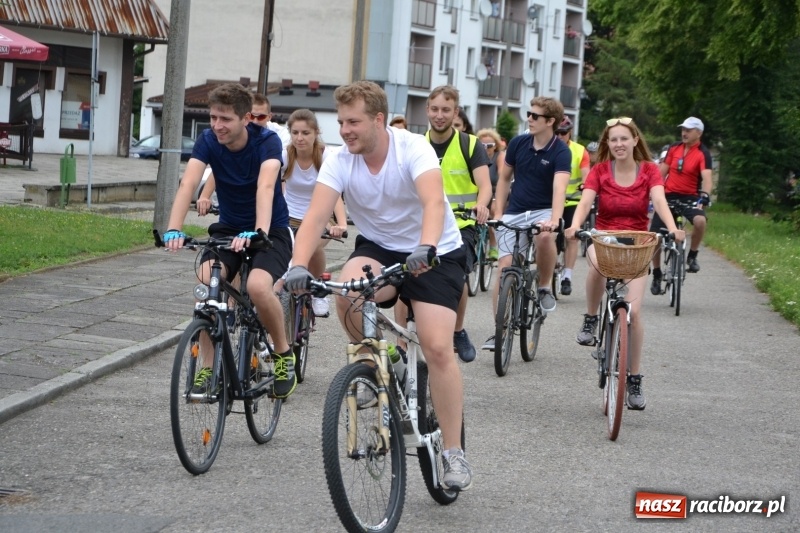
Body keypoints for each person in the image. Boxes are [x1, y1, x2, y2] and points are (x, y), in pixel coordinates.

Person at [284, 80, 472, 491]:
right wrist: (298, 264)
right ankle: (381, 362)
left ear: (379, 120)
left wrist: (425, 246)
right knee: (348, 293)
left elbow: (433, 203)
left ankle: (453, 452)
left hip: (435, 249)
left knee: (438, 347)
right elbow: (315, 217)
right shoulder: (338, 159)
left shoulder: (411, 148)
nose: (345, 130)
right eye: (341, 122)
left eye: (354, 122)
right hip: (381, 247)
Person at [163, 83, 296, 399]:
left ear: (246, 118)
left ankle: (282, 353)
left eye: (225, 119)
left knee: (259, 288)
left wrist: (259, 231)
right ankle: (208, 368)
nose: (217, 126)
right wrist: (173, 228)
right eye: (213, 118)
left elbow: (266, 187)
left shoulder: (267, 142)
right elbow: (189, 182)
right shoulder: (208, 140)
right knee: (208, 282)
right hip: (228, 229)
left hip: (270, 230)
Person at [565, 117, 685, 410]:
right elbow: (585, 203)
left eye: (623, 139)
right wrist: (575, 225)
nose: (618, 144)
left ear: (634, 141)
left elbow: (659, 201)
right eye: (613, 140)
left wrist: (672, 227)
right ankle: (591, 318)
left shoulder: (649, 170)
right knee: (595, 265)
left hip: (638, 242)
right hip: (605, 238)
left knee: (635, 312)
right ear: (608, 144)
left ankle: (634, 379)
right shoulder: (599, 171)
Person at [482, 96, 571, 350]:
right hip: (516, 210)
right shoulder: (519, 143)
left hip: (543, 210)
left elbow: (559, 188)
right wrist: (499, 212)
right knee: (504, 268)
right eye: (528, 114)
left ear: (550, 121)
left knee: (544, 237)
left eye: (535, 116)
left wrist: (554, 220)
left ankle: (544, 286)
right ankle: (498, 330)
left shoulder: (560, 151)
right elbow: (503, 178)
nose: (529, 119)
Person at [417, 85, 491, 363]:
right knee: (403, 274)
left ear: (455, 112)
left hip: (461, 225)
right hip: (423, 223)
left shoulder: (470, 145)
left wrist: (481, 204)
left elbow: (485, 185)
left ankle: (458, 330)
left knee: (457, 276)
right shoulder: (417, 144)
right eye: (434, 109)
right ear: (427, 110)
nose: (439, 115)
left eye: (446, 110)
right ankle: (401, 341)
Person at [280, 108, 348, 317]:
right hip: (290, 215)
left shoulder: (325, 155)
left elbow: (335, 193)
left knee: (312, 244)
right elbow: (271, 185)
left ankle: (319, 289)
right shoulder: (285, 155)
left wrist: (342, 224)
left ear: (316, 133)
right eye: (295, 133)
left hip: (321, 216)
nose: (300, 138)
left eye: (306, 133)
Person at [196, 92, 290, 214]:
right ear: (245, 116)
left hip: (272, 185)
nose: (255, 121)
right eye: (252, 116)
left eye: (261, 117)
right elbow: (221, 165)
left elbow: (281, 171)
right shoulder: (233, 133)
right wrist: (204, 196)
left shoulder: (280, 135)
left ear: (269, 117)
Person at [649, 116, 713, 295]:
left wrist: (705, 197)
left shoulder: (703, 153)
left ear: (698, 133)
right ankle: (656, 273)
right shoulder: (674, 148)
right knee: (656, 236)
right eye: (683, 129)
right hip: (668, 196)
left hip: (689, 197)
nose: (684, 132)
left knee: (700, 221)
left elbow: (707, 179)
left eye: (689, 130)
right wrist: (654, 191)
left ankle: (692, 256)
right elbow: (662, 172)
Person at [555, 117, 590, 296]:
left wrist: (586, 185)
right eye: (557, 133)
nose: (560, 136)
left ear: (570, 133)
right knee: (546, 234)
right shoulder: (548, 148)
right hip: (552, 200)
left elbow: (586, 176)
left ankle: (567, 276)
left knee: (572, 236)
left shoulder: (580, 151)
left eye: (564, 133)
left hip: (572, 201)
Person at [476, 127, 505, 260]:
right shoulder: (474, 156)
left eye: (490, 145)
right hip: (479, 192)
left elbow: (502, 179)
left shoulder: (499, 157)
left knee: (492, 215)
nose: (486, 148)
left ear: (496, 147)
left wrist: (495, 200)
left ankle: (493, 246)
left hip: (495, 191)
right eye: (482, 145)